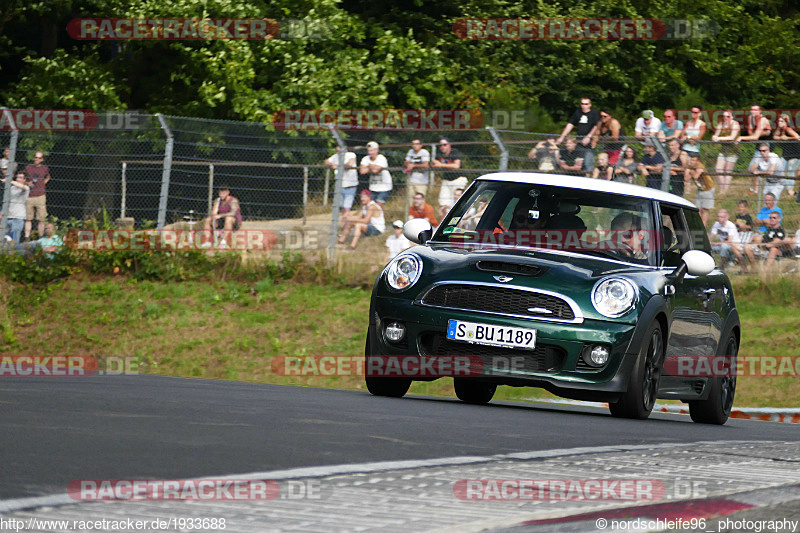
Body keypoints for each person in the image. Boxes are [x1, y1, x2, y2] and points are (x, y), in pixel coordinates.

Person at [555, 97, 600, 172]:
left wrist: (588, 136)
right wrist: (562, 137)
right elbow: (570, 124)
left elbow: (596, 126)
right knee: (577, 162)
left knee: (588, 162)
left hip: (589, 143)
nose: (584, 106)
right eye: (582, 104)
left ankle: (588, 179)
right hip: (579, 142)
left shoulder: (594, 113)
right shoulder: (578, 112)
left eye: (586, 104)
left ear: (590, 105)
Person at [738, 104, 773, 195]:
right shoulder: (751, 118)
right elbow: (751, 134)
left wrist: (741, 137)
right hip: (759, 146)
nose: (753, 111)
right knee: (753, 168)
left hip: (767, 147)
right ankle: (755, 189)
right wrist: (758, 133)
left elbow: (755, 137)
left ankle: (758, 189)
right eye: (752, 109)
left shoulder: (763, 120)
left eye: (755, 110)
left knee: (762, 168)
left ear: (760, 111)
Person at [432, 138, 466, 220]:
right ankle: (443, 224)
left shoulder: (454, 152)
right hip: (446, 180)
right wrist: (438, 164)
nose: (442, 147)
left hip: (458, 179)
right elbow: (434, 163)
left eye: (444, 145)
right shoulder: (439, 154)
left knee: (457, 203)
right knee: (443, 204)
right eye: (441, 145)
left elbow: (456, 166)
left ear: (449, 145)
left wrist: (441, 165)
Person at [201, 184, 241, 248]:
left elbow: (233, 213)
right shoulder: (218, 200)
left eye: (223, 193)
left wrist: (221, 215)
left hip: (233, 221)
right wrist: (214, 215)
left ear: (228, 192)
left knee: (228, 218)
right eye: (220, 193)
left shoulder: (233, 200)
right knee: (208, 219)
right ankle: (207, 242)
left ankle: (224, 242)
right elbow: (214, 212)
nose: (221, 195)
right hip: (221, 221)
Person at [711, 109, 740, 196]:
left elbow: (732, 137)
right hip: (723, 150)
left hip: (733, 150)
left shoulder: (735, 124)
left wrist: (718, 138)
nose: (725, 118)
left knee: (728, 171)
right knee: (718, 169)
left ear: (732, 117)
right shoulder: (721, 124)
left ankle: (725, 191)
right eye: (724, 116)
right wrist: (714, 137)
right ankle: (722, 188)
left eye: (728, 116)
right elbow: (716, 135)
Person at [324, 146, 358, 220]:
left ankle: (346, 223)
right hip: (340, 185)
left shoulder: (351, 155)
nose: (338, 152)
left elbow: (349, 164)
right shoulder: (335, 156)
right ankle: (345, 222)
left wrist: (338, 165)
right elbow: (326, 161)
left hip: (350, 185)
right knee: (342, 206)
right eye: (337, 151)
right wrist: (332, 164)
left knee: (347, 207)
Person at [23, 151, 51, 241]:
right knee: (28, 218)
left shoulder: (45, 168)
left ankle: (41, 237)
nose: (37, 159)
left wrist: (43, 184)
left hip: (40, 195)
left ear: (42, 159)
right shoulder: (28, 168)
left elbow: (48, 177)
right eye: (36, 157)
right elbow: (23, 179)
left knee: (41, 219)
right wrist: (27, 183)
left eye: (39, 158)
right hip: (29, 195)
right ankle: (27, 237)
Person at [772, 113, 799, 198]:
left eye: (781, 121)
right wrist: (781, 137)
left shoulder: (788, 129)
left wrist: (787, 138)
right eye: (779, 121)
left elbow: (797, 137)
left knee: (790, 172)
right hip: (786, 154)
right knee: (780, 169)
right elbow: (774, 137)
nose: (779, 122)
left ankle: (790, 191)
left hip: (794, 153)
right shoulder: (780, 129)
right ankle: (781, 187)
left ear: (786, 122)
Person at [685, 153, 715, 225]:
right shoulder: (690, 167)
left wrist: (689, 171)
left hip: (708, 189)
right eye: (690, 159)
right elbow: (686, 178)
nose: (691, 161)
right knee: (698, 209)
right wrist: (688, 170)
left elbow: (696, 176)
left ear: (697, 161)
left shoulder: (700, 166)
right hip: (700, 189)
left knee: (704, 210)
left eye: (693, 160)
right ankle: (698, 224)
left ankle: (703, 225)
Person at [360, 141, 392, 206]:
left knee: (379, 206)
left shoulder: (381, 158)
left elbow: (375, 170)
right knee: (372, 206)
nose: (370, 153)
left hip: (384, 187)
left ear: (377, 150)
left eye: (372, 150)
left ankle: (381, 216)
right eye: (369, 151)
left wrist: (368, 166)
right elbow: (362, 171)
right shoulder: (365, 158)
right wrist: (373, 167)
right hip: (373, 187)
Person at [3, 171, 30, 244]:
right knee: (4, 239)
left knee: (14, 242)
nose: (18, 179)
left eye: (20, 178)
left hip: (18, 218)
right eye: (17, 177)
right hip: (8, 217)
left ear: (24, 180)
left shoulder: (25, 188)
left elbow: (22, 187)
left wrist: (9, 181)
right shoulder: (11, 188)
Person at [403, 138, 430, 204]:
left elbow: (425, 164)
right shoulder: (410, 151)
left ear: (421, 145)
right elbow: (406, 161)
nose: (415, 145)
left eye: (417, 144)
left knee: (420, 201)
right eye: (413, 144)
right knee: (410, 201)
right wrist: (408, 164)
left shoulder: (424, 152)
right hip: (411, 180)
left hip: (422, 181)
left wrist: (414, 165)